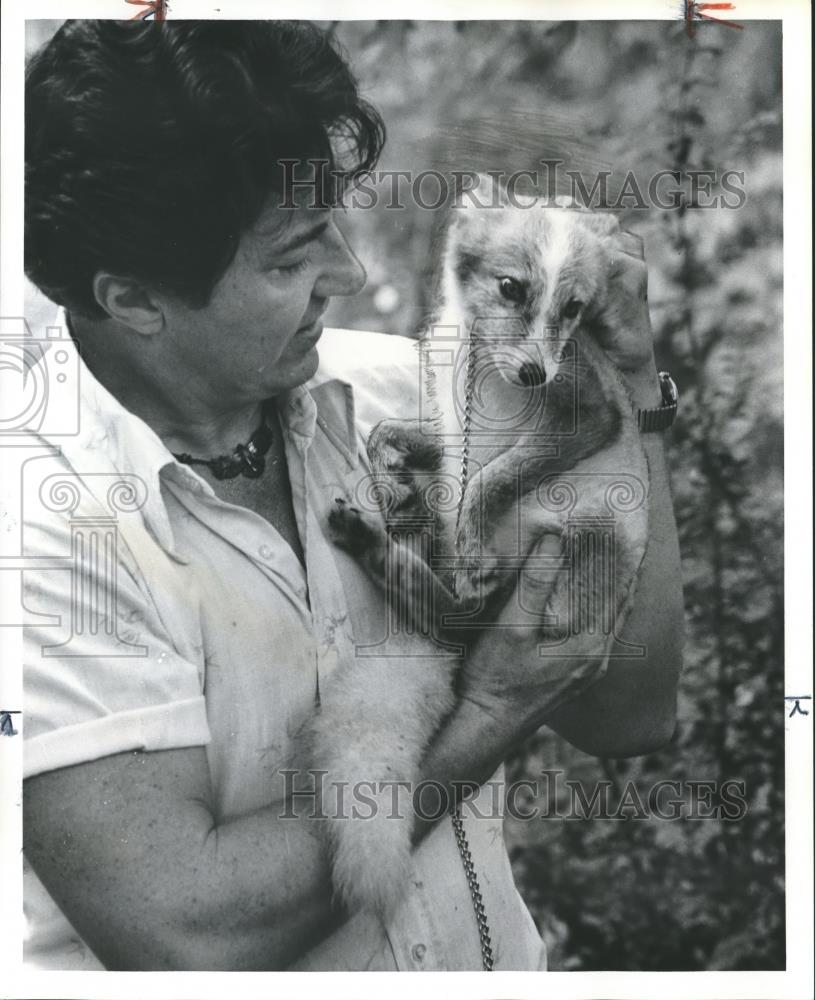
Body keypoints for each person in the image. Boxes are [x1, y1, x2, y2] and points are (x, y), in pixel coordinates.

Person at [21, 19, 684, 971]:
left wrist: (628, 390)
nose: (353, 273)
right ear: (131, 300)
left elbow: (629, 712)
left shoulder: (403, 391)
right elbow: (184, 929)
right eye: (291, 259)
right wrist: (490, 710)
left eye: (334, 218)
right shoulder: (45, 532)